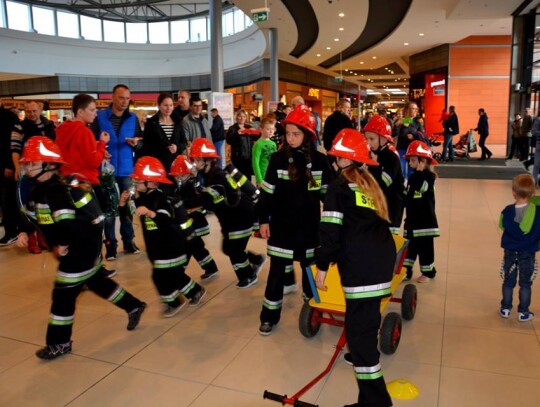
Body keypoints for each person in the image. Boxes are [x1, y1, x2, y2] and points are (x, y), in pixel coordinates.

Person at [16, 136, 146, 360]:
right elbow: (36, 216)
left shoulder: (56, 190)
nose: (27, 167)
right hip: (84, 246)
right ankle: (134, 306)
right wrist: (24, 232)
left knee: (62, 296)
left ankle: (59, 343)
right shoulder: (42, 189)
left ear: (49, 165)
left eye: (32, 163)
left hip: (77, 248)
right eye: (27, 163)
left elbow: (66, 223)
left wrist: (62, 245)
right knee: (96, 281)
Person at [314, 130, 395, 407]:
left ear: (339, 158)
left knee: (359, 343)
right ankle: (370, 401)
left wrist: (322, 265)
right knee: (364, 332)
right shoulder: (367, 183)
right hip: (381, 265)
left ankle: (377, 403)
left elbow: (330, 229)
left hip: (361, 269)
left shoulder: (338, 186)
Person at [257, 104, 334, 335]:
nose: (290, 138)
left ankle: (314, 310)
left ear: (308, 135)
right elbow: (267, 193)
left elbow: (328, 197)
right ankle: (269, 316)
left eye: (296, 134)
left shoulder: (320, 162)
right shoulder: (278, 159)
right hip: (281, 228)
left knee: (309, 271)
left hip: (309, 229)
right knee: (276, 273)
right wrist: (263, 220)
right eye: (288, 133)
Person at [122, 156, 206, 316]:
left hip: (170, 246)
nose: (135, 184)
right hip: (156, 247)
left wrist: (151, 213)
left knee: (160, 277)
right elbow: (129, 217)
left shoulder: (161, 199)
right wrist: (122, 205)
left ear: (151, 182)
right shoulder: (142, 199)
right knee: (174, 275)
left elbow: (166, 221)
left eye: (139, 181)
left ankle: (175, 302)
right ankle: (194, 291)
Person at [187, 138, 266, 288]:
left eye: (197, 159)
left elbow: (205, 198)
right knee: (229, 248)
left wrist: (180, 205)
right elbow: (212, 200)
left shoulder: (216, 177)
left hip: (240, 217)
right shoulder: (212, 175)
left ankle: (248, 276)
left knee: (234, 250)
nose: (195, 163)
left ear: (207, 160)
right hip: (234, 219)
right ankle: (256, 260)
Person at [92, 84, 142, 260]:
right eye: (121, 98)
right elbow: (92, 141)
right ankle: (110, 246)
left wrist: (136, 143)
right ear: (112, 97)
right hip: (106, 172)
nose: (124, 102)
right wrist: (101, 149)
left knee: (127, 208)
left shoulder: (133, 118)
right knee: (109, 209)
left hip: (127, 170)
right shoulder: (99, 117)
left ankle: (129, 242)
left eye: (128, 98)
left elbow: (141, 141)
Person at [169, 154, 219, 281]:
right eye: (176, 176)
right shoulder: (178, 186)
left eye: (181, 175)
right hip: (189, 224)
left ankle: (179, 271)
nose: (178, 178)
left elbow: (198, 201)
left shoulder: (192, 185)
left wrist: (183, 205)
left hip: (195, 222)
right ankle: (211, 268)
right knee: (197, 248)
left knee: (189, 247)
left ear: (189, 174)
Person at [499, 174, 540, 321]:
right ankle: (523, 311)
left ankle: (505, 308)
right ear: (533, 192)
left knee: (508, 282)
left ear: (513, 192)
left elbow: (502, 225)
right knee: (525, 283)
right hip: (528, 253)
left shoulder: (507, 211)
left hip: (510, 252)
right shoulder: (538, 212)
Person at [402, 140, 440, 282]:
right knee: (410, 247)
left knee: (425, 248)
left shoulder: (429, 178)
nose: (410, 163)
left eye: (413, 160)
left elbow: (420, 188)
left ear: (422, 161)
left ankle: (429, 272)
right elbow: (408, 195)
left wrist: (419, 172)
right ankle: (406, 270)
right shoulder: (412, 177)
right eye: (409, 160)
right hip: (412, 220)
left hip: (425, 221)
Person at [363, 116, 405, 235]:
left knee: (389, 241)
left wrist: (375, 165)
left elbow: (383, 183)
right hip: (377, 206)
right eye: (366, 139)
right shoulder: (373, 154)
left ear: (383, 139)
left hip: (391, 208)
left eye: (372, 139)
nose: (368, 143)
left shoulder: (391, 157)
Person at [141, 92, 186, 172]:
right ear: (159, 106)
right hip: (157, 166)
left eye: (171, 105)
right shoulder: (151, 123)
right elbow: (146, 147)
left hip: (175, 166)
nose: (168, 108)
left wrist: (177, 147)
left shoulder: (178, 122)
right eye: (165, 105)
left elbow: (183, 142)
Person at [0, 102, 20, 246]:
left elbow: (11, 144)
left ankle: (12, 231)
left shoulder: (8, 117)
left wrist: (9, 164)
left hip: (7, 167)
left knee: (8, 200)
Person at [322, 99, 354, 168]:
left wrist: (328, 148)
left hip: (331, 151)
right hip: (343, 153)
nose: (349, 110)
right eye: (347, 108)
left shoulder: (329, 118)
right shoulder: (346, 119)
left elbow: (325, 136)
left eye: (349, 108)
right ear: (340, 108)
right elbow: (351, 135)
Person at [395, 102, 424, 178]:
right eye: (413, 108)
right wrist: (398, 123)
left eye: (416, 109)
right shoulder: (403, 121)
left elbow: (423, 136)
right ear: (408, 110)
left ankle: (410, 187)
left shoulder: (417, 123)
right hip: (402, 149)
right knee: (401, 171)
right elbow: (394, 132)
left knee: (412, 172)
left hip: (413, 151)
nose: (415, 110)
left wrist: (414, 136)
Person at [226, 109, 256, 178]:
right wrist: (237, 133)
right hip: (237, 158)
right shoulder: (232, 128)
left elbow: (256, 138)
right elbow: (228, 140)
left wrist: (255, 132)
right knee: (238, 177)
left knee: (248, 177)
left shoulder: (249, 127)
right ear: (236, 117)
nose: (242, 118)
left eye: (244, 116)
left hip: (248, 157)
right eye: (240, 116)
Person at [252, 116, 277, 187]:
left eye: (272, 129)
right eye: (268, 129)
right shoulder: (258, 144)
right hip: (263, 176)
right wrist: (259, 179)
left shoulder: (273, 144)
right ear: (261, 129)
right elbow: (255, 163)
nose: (271, 131)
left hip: (272, 175)